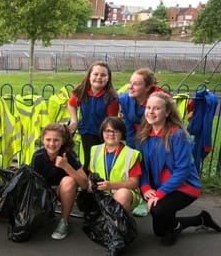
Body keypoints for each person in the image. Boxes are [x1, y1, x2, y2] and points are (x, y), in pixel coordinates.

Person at [135, 92, 221, 246]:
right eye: (148, 107)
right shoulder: (143, 135)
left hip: (184, 186)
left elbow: (183, 170)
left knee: (159, 210)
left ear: (167, 112)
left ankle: (174, 225)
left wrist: (160, 194)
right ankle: (200, 219)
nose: (151, 112)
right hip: (158, 186)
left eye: (157, 108)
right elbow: (142, 164)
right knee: (159, 231)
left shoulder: (178, 135)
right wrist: (145, 186)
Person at [31, 123, 88, 240]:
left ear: (62, 141)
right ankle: (43, 214)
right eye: (48, 139)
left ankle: (64, 221)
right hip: (44, 192)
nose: (52, 144)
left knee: (69, 181)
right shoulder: (38, 156)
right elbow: (33, 181)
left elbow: (84, 184)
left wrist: (66, 166)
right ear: (42, 140)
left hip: (61, 191)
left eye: (56, 140)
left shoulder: (69, 155)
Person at [68, 60, 119, 172]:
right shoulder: (82, 92)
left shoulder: (111, 98)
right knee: (89, 160)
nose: (99, 77)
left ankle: (92, 183)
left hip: (101, 134)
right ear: (89, 76)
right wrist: (74, 120)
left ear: (108, 78)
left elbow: (111, 120)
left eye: (103, 75)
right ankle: (87, 183)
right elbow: (71, 104)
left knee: (97, 161)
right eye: (96, 74)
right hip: (87, 131)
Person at [88, 117, 142, 212]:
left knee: (123, 194)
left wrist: (111, 185)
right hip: (101, 192)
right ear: (102, 132)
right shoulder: (95, 150)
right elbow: (91, 174)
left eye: (115, 131)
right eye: (107, 131)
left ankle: (116, 224)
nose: (111, 134)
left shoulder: (131, 154)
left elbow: (134, 183)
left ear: (122, 133)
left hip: (122, 193)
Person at [119, 68, 170, 148]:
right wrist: (131, 151)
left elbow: (163, 128)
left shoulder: (161, 101)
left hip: (158, 140)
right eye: (130, 83)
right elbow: (129, 129)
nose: (130, 87)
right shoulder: (124, 100)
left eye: (136, 84)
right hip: (135, 138)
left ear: (148, 88)